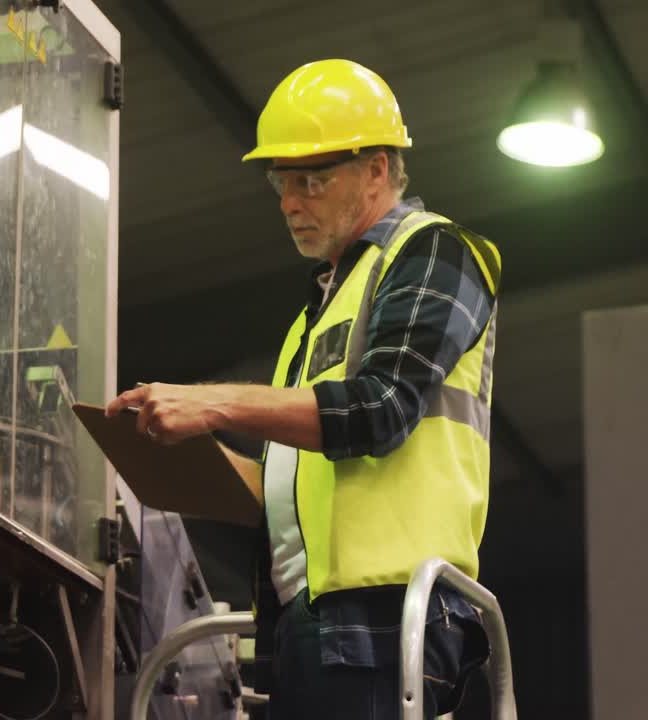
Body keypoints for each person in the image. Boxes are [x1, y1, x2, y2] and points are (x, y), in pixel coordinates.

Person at [106, 59, 500, 719]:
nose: (291, 202)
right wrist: (183, 456)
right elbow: (292, 489)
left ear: (378, 168)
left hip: (387, 617)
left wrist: (211, 404)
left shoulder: (433, 252)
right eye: (281, 182)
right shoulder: (315, 316)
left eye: (312, 180)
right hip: (307, 625)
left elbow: (380, 409)